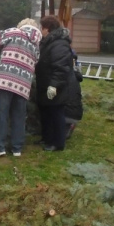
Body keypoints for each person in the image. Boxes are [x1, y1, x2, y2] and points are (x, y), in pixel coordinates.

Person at [0, 18, 41, 157]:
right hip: (24, 84)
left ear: (21, 26)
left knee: (2, 114)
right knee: (19, 116)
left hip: (6, 80)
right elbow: (36, 61)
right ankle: (17, 148)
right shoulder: (36, 44)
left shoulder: (13, 32)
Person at [34, 15, 75, 152]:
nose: (41, 30)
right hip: (44, 83)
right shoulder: (48, 42)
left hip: (56, 86)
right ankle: (46, 138)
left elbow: (61, 67)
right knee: (45, 112)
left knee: (55, 113)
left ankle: (57, 143)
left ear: (48, 29)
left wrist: (54, 85)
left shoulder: (59, 44)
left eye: (42, 28)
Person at [64, 50, 84, 139]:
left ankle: (68, 125)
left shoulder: (63, 75)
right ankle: (69, 125)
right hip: (76, 113)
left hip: (66, 113)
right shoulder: (76, 76)